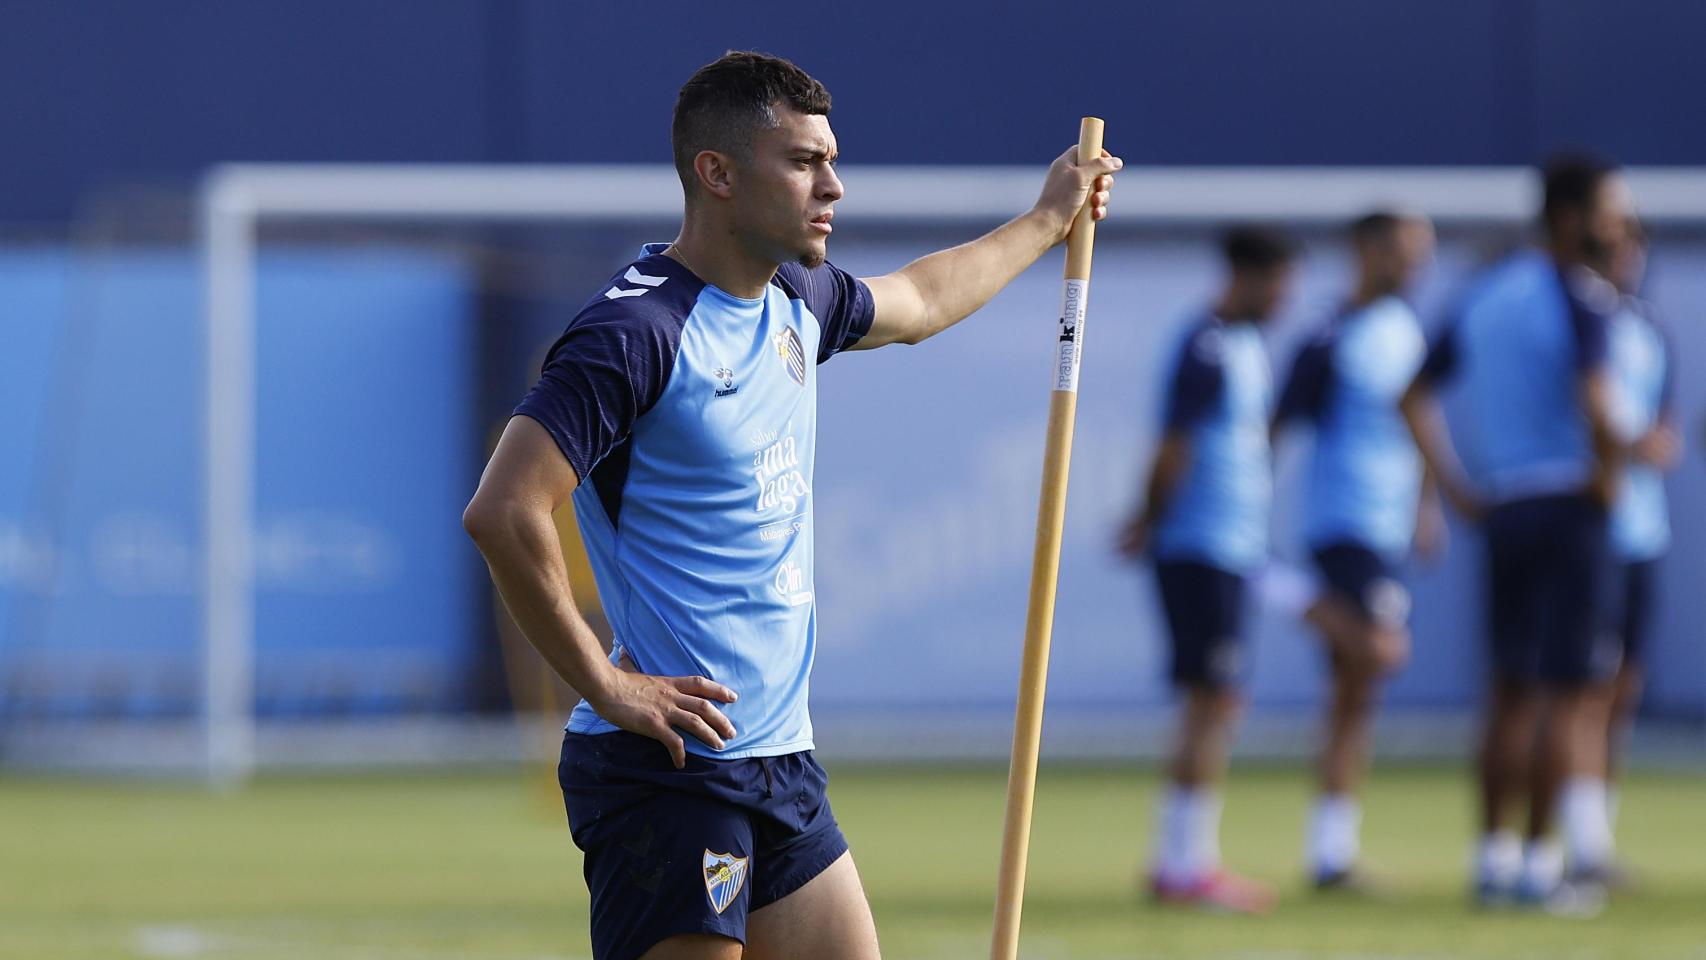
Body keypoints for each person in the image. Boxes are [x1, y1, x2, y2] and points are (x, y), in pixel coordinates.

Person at [462, 51, 1119, 960]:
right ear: (718, 173)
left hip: (779, 759)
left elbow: (921, 299)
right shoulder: (634, 334)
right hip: (673, 771)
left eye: (832, 160)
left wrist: (1049, 221)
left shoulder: (795, 297)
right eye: (806, 162)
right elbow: (503, 511)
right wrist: (607, 686)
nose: (834, 186)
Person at [1400, 153, 1637, 912]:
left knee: (1506, 694)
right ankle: (1540, 869)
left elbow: (1413, 393)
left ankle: (1492, 859)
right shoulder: (1582, 297)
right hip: (1569, 509)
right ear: (1571, 218)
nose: (1618, 226)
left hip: (1505, 508)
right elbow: (1599, 404)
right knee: (1566, 698)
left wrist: (1459, 484)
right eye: (1609, 211)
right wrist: (1609, 476)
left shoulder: (1483, 294)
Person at [1117, 225, 1298, 914]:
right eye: (1279, 285)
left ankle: (1186, 859)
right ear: (1248, 276)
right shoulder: (1208, 346)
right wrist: (1149, 517)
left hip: (1230, 547)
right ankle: (1184, 864)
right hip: (1200, 546)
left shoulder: (1246, 346)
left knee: (1217, 700)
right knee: (1210, 701)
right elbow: (1175, 446)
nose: (1285, 300)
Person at [1271, 211, 1438, 892]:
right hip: (1343, 525)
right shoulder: (1328, 335)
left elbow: (1419, 421)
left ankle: (1332, 851)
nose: (1414, 266)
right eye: (1402, 251)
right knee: (1376, 652)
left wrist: (1426, 505)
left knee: (1354, 692)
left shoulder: (1407, 331)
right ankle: (1283, 591)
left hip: (1389, 529)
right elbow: (1278, 428)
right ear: (1365, 251)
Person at [1573, 218, 1681, 887]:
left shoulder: (1648, 327)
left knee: (1622, 688)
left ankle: (1597, 833)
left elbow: (1662, 424)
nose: (1629, 258)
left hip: (1644, 530)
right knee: (1578, 687)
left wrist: (1656, 443)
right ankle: (1573, 837)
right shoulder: (1580, 323)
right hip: (1588, 529)